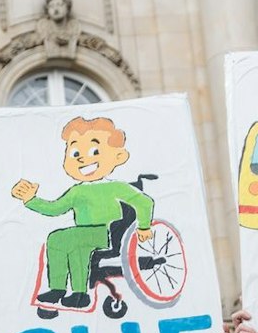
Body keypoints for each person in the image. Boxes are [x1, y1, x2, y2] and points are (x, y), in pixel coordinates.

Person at [11, 116, 154, 310]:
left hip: (108, 234)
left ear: (118, 157)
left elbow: (144, 202)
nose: (82, 158)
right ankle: (79, 293)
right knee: (77, 248)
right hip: (86, 235)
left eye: (94, 151)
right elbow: (55, 208)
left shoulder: (115, 187)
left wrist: (144, 226)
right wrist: (30, 199)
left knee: (59, 239)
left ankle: (58, 288)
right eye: (75, 152)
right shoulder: (77, 191)